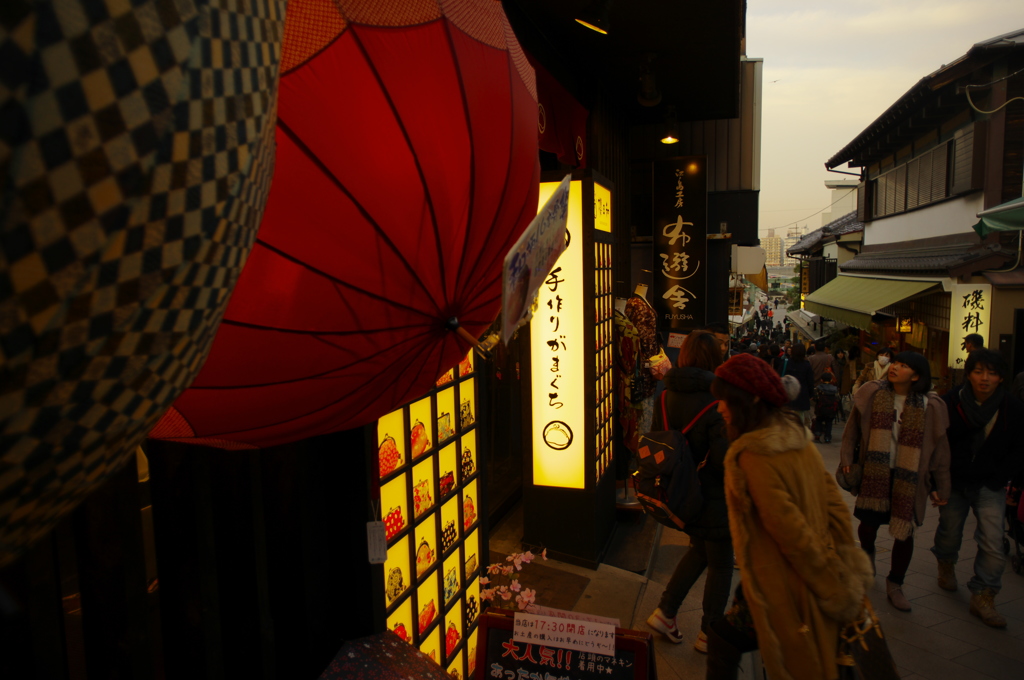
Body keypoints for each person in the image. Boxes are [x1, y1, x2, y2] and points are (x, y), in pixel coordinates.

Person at [705, 354, 873, 680]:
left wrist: (832, 588)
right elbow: (835, 509)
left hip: (785, 587)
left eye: (724, 401)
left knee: (725, 640)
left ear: (745, 402)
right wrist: (844, 563)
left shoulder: (753, 457)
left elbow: (793, 534)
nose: (719, 408)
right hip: (796, 578)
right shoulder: (797, 437)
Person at [839, 351, 951, 612]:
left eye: (903, 366)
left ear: (916, 376)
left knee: (905, 532)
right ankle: (867, 555)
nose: (895, 368)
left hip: (909, 477)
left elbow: (940, 450)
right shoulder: (873, 393)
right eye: (895, 363)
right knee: (867, 526)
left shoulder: (930, 405)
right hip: (875, 472)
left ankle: (895, 583)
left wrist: (939, 485)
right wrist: (846, 458)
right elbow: (851, 430)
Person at [646, 332, 732, 652]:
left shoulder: (664, 395)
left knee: (699, 551)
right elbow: (723, 457)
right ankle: (710, 633)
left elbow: (658, 441)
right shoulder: (717, 398)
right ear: (713, 359)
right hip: (713, 493)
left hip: (680, 491)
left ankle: (666, 612)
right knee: (721, 561)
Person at [932, 349, 1024, 627]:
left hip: (990, 483)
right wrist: (936, 482)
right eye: (978, 371)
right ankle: (946, 562)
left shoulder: (1012, 407)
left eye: (992, 373)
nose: (985, 378)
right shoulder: (949, 402)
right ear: (968, 374)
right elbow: (936, 444)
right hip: (955, 481)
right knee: (949, 531)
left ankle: (984, 594)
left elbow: (1019, 450)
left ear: (1000, 378)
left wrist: (1009, 482)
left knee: (993, 542)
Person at [786, 343, 814, 428]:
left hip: (788, 394)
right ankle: (799, 434)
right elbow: (810, 381)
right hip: (801, 394)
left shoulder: (786, 363)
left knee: (787, 417)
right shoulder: (806, 365)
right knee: (800, 417)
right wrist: (811, 394)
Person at [812, 372, 840, 443]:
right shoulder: (835, 389)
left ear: (821, 380)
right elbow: (838, 398)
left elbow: (815, 398)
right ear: (831, 380)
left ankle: (817, 436)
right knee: (829, 423)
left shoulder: (818, 388)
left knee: (819, 421)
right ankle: (827, 438)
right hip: (831, 409)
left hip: (820, 409)